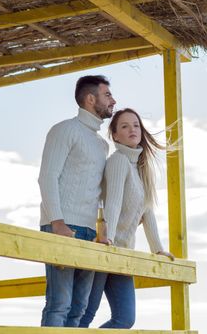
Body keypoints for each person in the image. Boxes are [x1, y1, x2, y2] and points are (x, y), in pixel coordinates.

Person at [79, 108, 174, 329]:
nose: (132, 129)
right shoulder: (119, 161)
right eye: (124, 126)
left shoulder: (141, 168)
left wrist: (158, 249)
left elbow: (147, 211)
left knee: (125, 318)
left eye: (136, 125)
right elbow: (112, 202)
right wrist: (108, 240)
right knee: (86, 314)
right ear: (115, 135)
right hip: (105, 248)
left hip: (123, 254)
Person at [38, 75, 116, 327]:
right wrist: (57, 222)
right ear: (90, 99)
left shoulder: (102, 144)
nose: (113, 101)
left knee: (79, 308)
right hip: (62, 226)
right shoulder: (64, 130)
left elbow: (98, 191)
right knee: (59, 304)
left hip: (90, 232)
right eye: (107, 95)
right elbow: (47, 177)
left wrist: (102, 229)